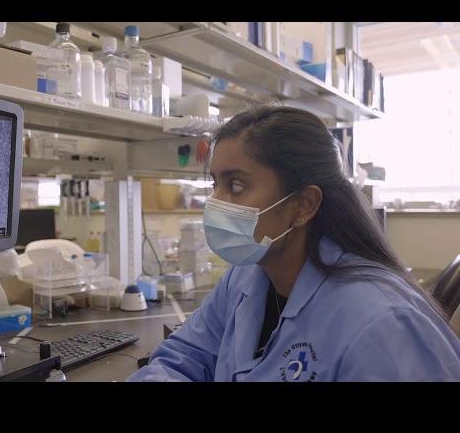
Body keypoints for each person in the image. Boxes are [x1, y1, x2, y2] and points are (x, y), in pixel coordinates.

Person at [128, 105, 460, 382]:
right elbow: (181, 357)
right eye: (216, 184)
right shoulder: (244, 278)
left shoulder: (384, 324)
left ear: (303, 205)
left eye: (237, 185)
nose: (216, 202)